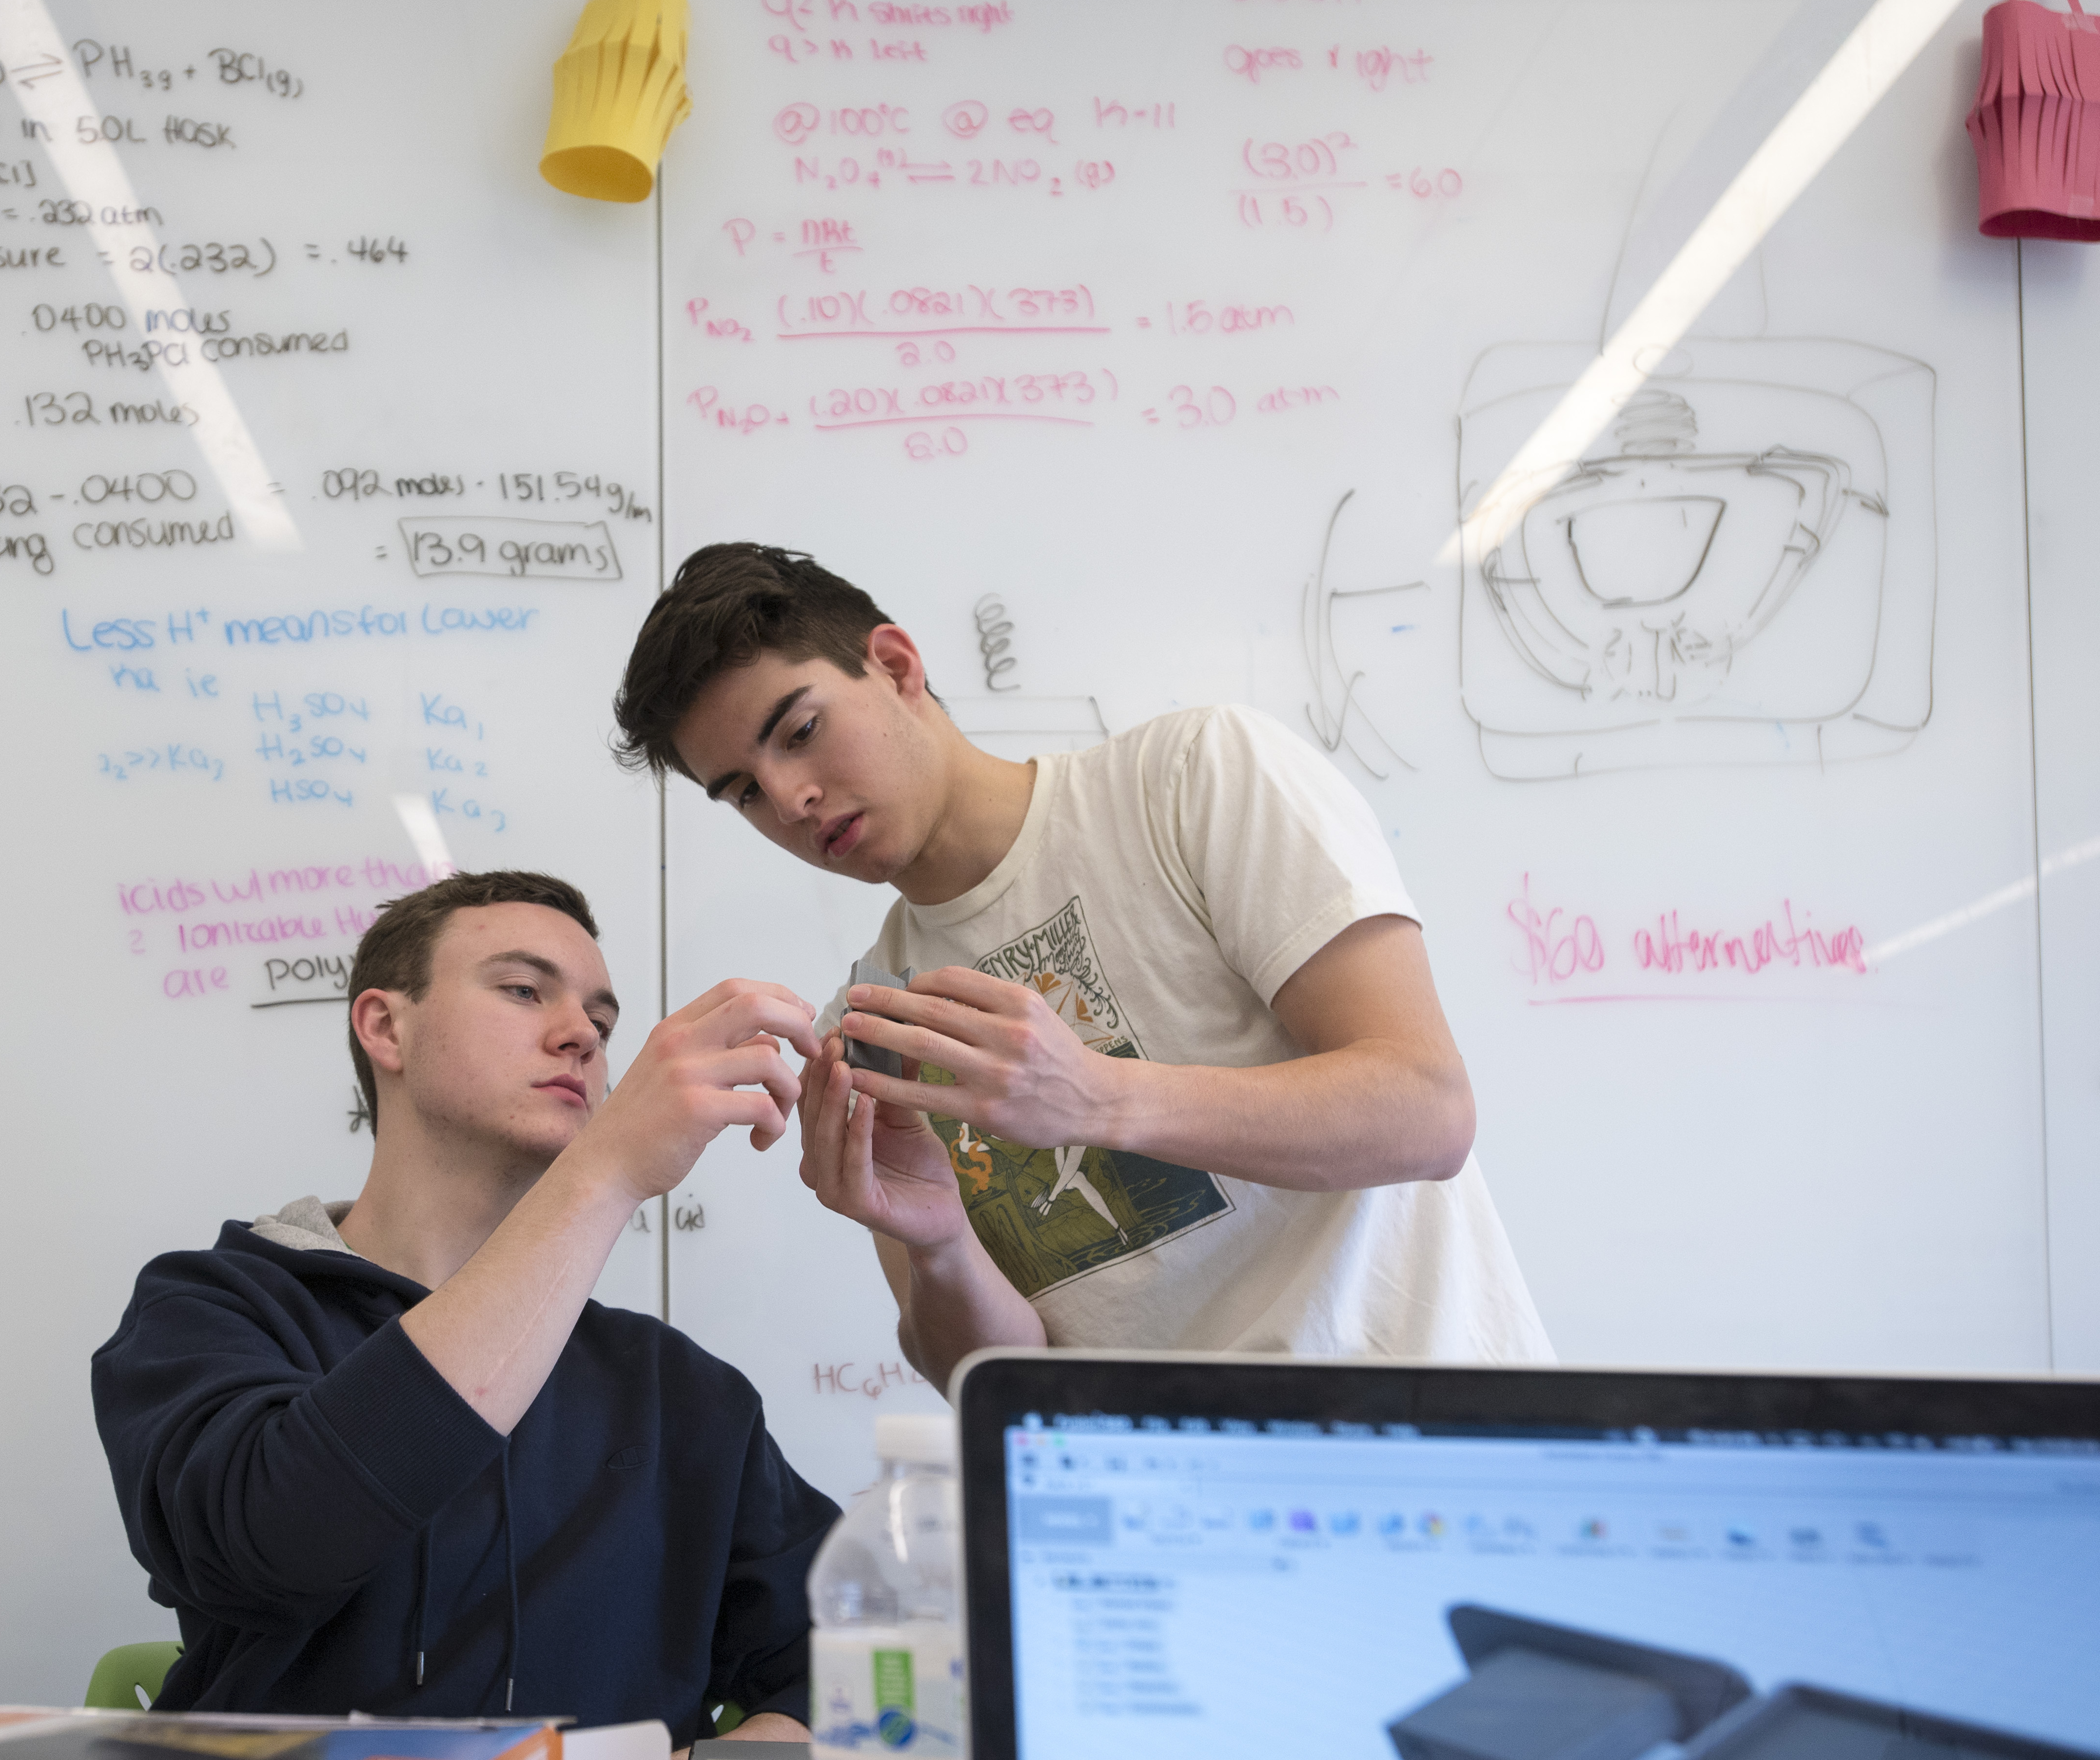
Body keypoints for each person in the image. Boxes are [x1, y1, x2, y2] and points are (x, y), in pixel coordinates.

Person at [613, 543, 1553, 1388]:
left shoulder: (1193, 781)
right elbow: (990, 1377)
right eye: (742, 792)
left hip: (1432, 1462)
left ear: (895, 666)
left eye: (800, 730)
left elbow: (1427, 1109)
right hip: (1149, 1523)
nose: (789, 798)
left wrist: (1099, 1100)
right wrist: (937, 1241)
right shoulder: (870, 1029)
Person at [92, 869, 836, 1754]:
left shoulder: (675, 1389)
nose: (583, 1041)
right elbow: (274, 1547)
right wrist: (604, 1172)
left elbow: (847, 1648)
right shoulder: (214, 1309)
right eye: (524, 991)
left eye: (602, 1025)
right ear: (385, 1026)